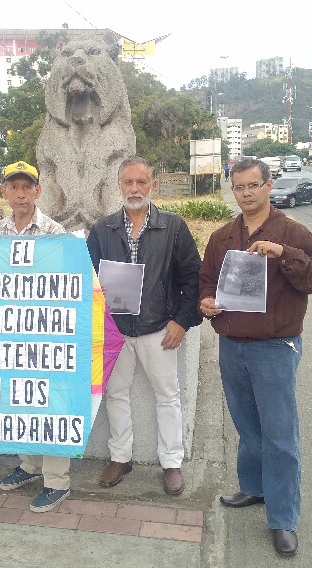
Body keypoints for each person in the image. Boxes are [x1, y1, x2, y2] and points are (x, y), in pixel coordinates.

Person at [198, 158, 312, 558]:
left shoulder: (293, 232)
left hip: (275, 347)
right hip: (232, 345)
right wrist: (205, 301)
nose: (246, 193)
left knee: (279, 434)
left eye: (254, 185)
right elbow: (207, 281)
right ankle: (254, 488)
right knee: (247, 425)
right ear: (232, 190)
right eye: (239, 187)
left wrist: (284, 253)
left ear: (269, 186)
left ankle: (284, 518)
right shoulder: (222, 237)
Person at [87, 156, 202, 496]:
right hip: (115, 329)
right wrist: (96, 289)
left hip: (158, 328)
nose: (134, 189)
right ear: (118, 186)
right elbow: (85, 275)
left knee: (168, 397)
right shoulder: (102, 229)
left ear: (153, 186)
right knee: (115, 394)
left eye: (141, 182)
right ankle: (120, 457)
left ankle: (171, 463)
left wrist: (181, 321)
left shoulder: (173, 227)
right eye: (127, 182)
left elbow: (192, 278)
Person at [0, 162, 72, 513]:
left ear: (38, 191)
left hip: (46, 333)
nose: (21, 193)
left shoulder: (56, 232)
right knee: (19, 397)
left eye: (27, 187)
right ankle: (29, 464)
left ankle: (56, 481)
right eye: (14, 187)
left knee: (49, 402)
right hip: (9, 331)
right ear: (5, 192)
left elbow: (66, 283)